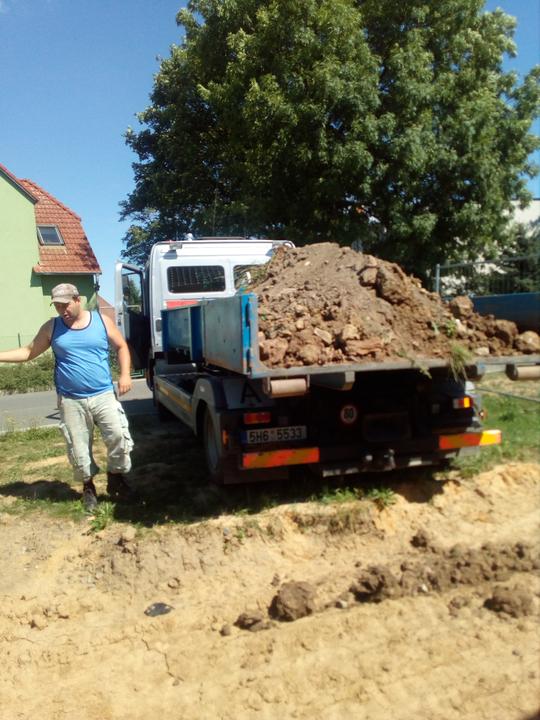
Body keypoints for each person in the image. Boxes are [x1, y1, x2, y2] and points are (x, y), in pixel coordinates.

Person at [0, 283, 136, 512]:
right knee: (78, 448)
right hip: (70, 399)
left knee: (118, 438)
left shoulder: (102, 321)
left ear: (77, 299)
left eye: (65, 305)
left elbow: (121, 346)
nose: (62, 310)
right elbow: (28, 352)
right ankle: (88, 488)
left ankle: (116, 477)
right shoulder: (51, 327)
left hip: (103, 394)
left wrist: (125, 375)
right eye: (57, 306)